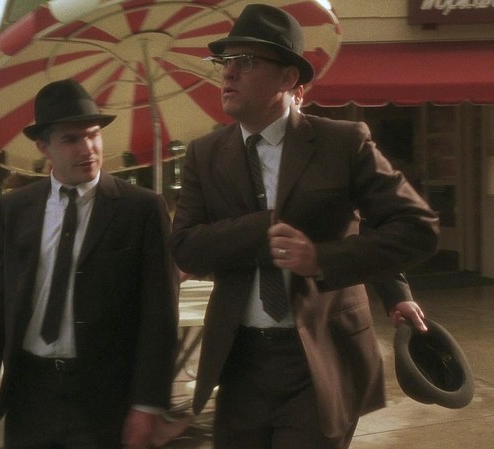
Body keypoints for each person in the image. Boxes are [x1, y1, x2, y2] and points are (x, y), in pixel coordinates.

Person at [170, 5, 439, 449]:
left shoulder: (342, 142)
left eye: (246, 61)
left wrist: (320, 259)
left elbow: (416, 228)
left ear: (288, 78)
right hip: (240, 362)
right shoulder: (205, 154)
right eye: (225, 61)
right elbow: (185, 247)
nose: (228, 73)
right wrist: (263, 227)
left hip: (321, 357)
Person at [0, 78, 179, 449]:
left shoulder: (141, 209)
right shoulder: (15, 209)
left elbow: (160, 314)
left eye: (93, 135)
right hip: (30, 391)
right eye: (71, 139)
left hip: (104, 395)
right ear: (43, 147)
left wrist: (147, 404)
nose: (88, 148)